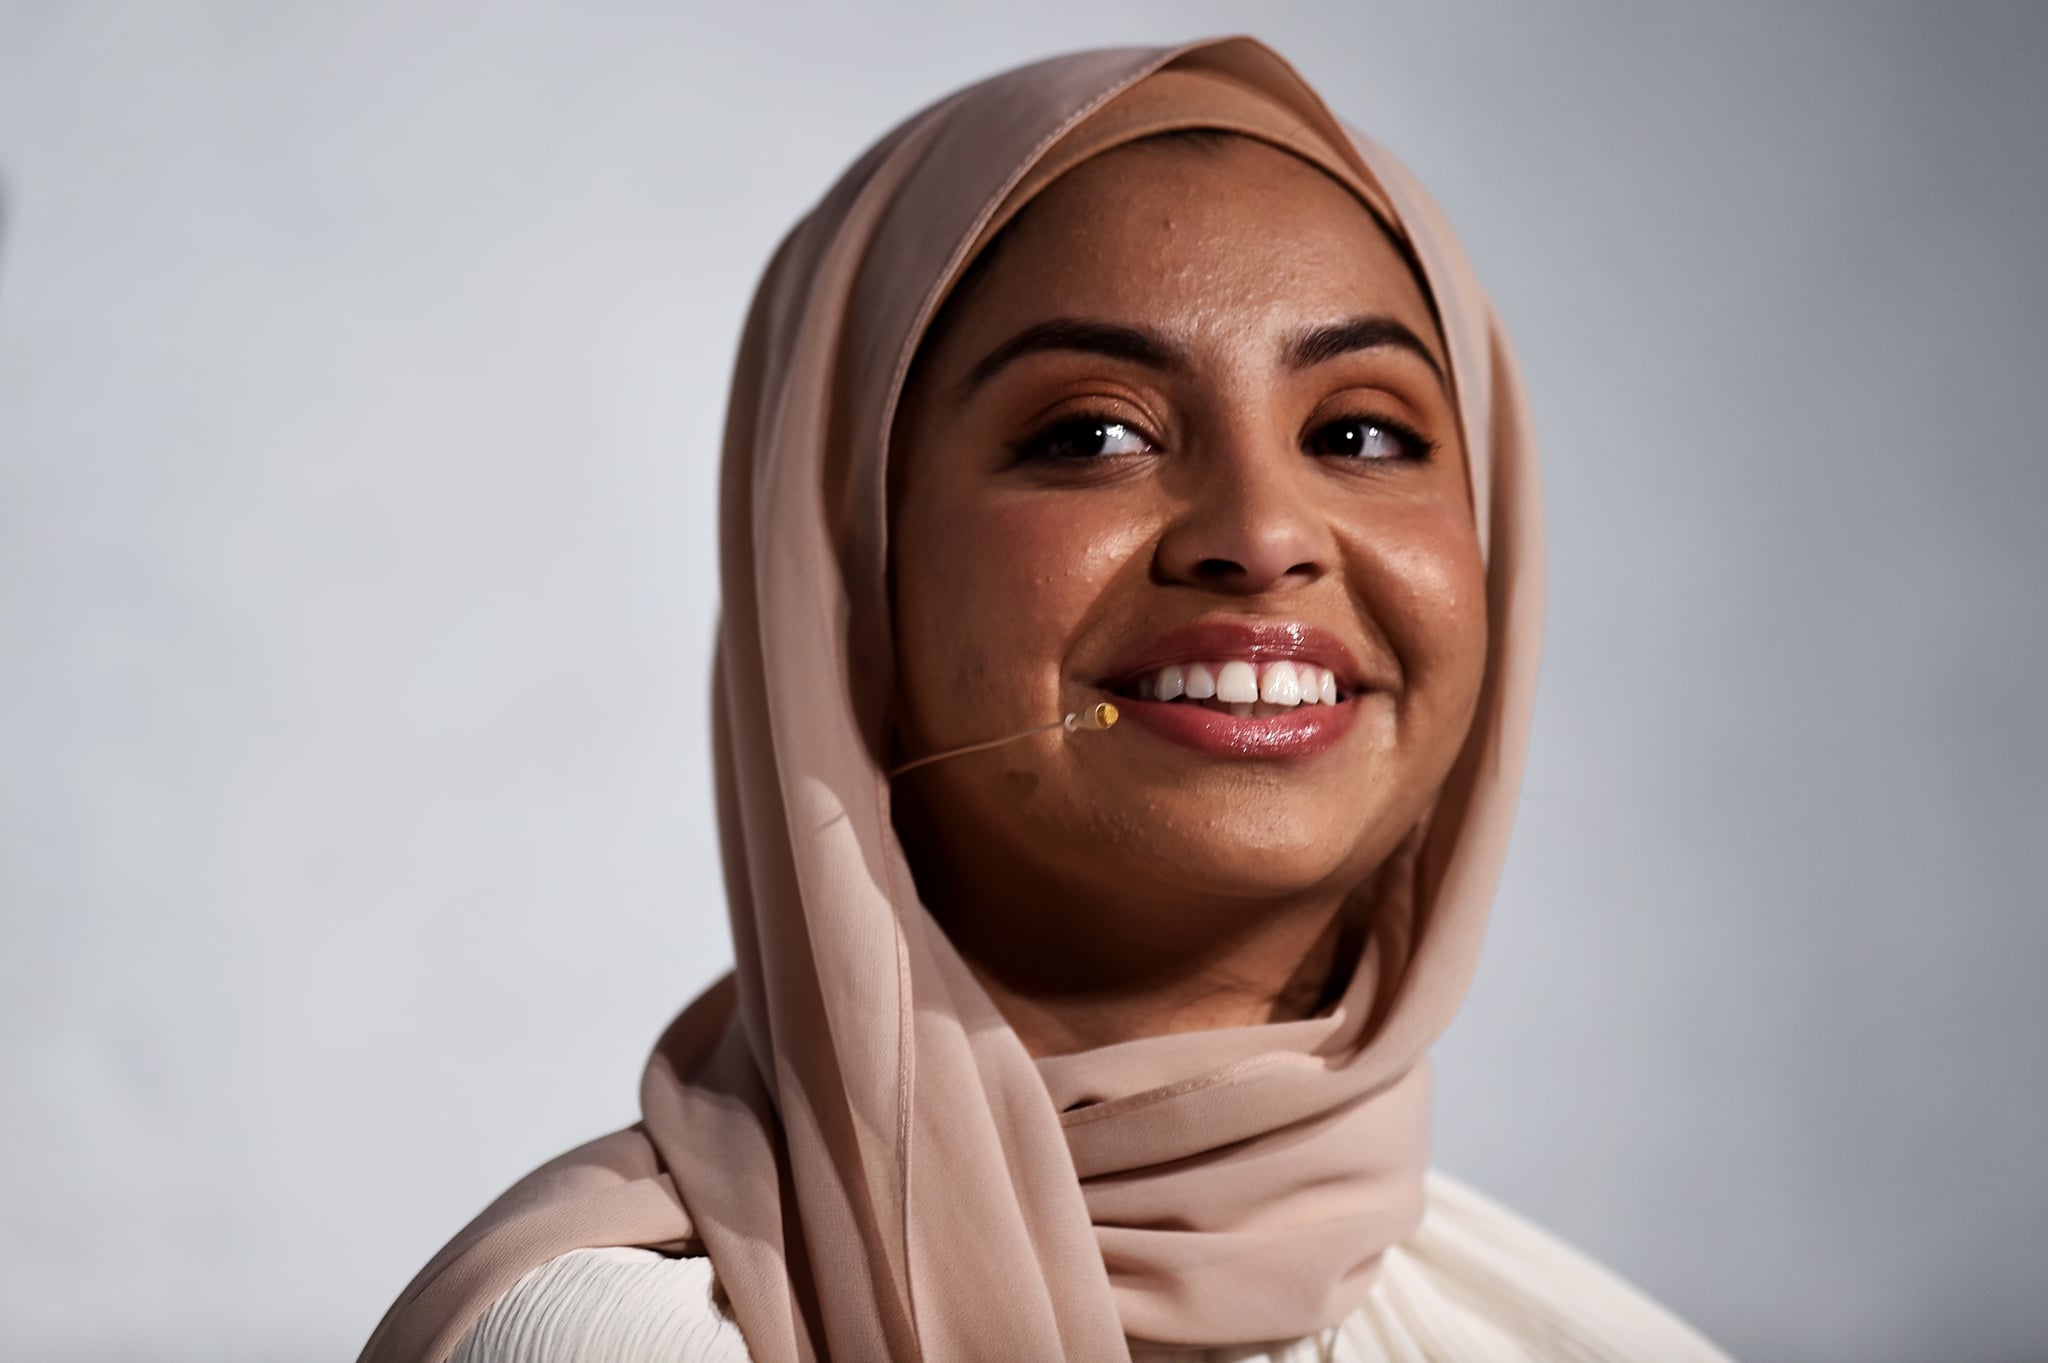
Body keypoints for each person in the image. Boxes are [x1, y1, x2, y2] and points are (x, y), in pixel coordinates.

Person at [359, 35, 1737, 1363]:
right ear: (844, 584)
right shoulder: (604, 1345)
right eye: (1092, 433)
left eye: (1360, 433)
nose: (1262, 533)